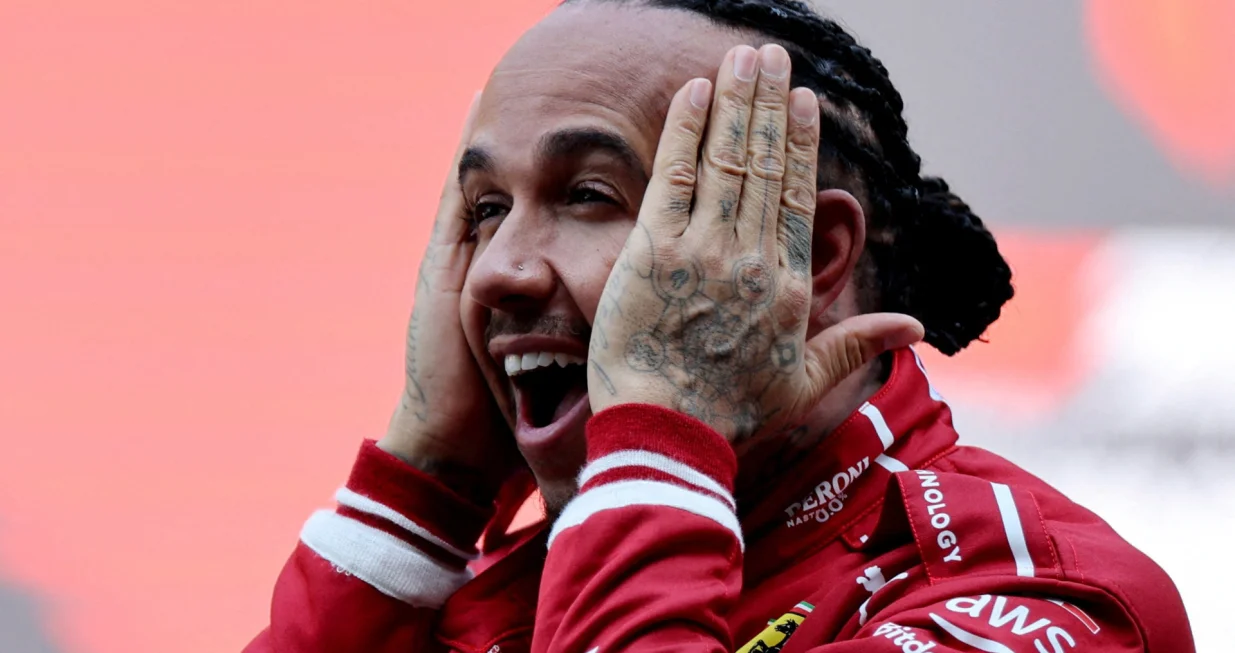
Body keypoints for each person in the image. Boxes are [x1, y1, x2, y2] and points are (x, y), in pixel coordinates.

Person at [246, 1, 1194, 651]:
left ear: (811, 258)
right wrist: (423, 483)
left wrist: (662, 433)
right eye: (486, 209)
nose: (499, 270)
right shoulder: (479, 589)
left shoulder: (1044, 602)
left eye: (586, 193)